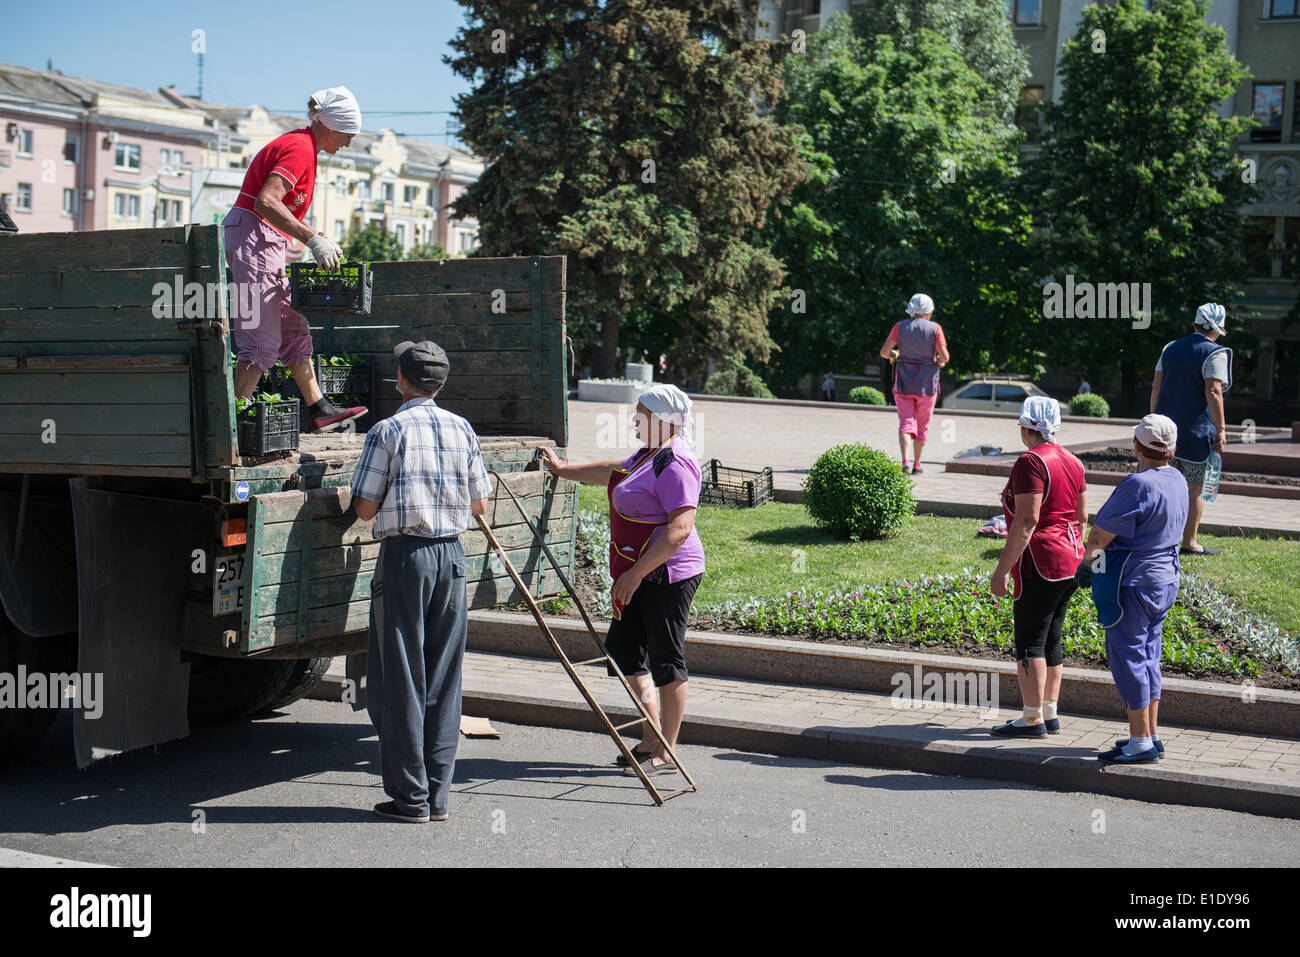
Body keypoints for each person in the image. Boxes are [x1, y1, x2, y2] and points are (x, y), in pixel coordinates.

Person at [349, 340, 493, 822]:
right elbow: (479, 504)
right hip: (452, 558)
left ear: (401, 381)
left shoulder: (387, 430)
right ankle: (437, 798)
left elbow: (365, 508)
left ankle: (409, 800)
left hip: (405, 560)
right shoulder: (463, 428)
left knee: (401, 679)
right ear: (443, 383)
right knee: (443, 680)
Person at [539, 385, 705, 777]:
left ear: (663, 421)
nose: (634, 419)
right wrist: (564, 471)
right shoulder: (647, 454)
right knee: (625, 649)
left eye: (641, 414)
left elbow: (679, 529)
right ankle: (652, 738)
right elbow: (612, 472)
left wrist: (635, 575)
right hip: (642, 571)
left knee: (666, 658)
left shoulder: (675, 462)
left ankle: (666, 750)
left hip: (668, 574)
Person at [224, 86, 368, 432]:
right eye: (348, 136)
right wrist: (311, 238)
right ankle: (228, 427)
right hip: (255, 237)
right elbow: (266, 202)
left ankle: (319, 408)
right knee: (262, 343)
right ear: (332, 126)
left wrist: (312, 233)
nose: (347, 144)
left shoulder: (305, 148)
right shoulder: (300, 149)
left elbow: (278, 208)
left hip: (264, 240)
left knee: (292, 327)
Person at [1076, 415, 1189, 764]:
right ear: (1171, 450)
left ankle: (1140, 742)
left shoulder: (1138, 485)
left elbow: (1098, 536)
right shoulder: (1178, 479)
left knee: (1130, 660)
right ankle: (1150, 735)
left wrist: (1086, 567)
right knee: (1149, 657)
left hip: (1134, 584)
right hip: (1165, 580)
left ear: (1137, 445)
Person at [989, 397, 1087, 737]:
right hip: (1070, 560)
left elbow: (1028, 519)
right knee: (1052, 639)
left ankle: (1031, 720)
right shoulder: (1073, 461)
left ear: (1025, 426)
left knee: (1030, 640)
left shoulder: (1030, 462)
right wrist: (1077, 552)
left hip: (1040, 562)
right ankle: (1049, 713)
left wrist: (1003, 569)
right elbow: (1081, 517)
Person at [1151, 303, 1232, 556]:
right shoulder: (1215, 352)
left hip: (1163, 431)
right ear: (1217, 328)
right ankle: (1189, 542)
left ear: (1195, 324)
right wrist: (1221, 429)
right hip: (1196, 431)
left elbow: (1156, 386)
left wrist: (1154, 421)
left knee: (1157, 484)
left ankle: (1153, 538)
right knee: (1194, 487)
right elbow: (1213, 390)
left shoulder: (1170, 348)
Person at [880, 293, 949, 474]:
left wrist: (897, 354)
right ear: (929, 312)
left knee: (906, 423)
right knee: (923, 424)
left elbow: (885, 352)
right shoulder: (935, 329)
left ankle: (905, 462)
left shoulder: (899, 326)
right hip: (927, 386)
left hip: (904, 383)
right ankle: (917, 465)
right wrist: (938, 361)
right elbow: (945, 357)